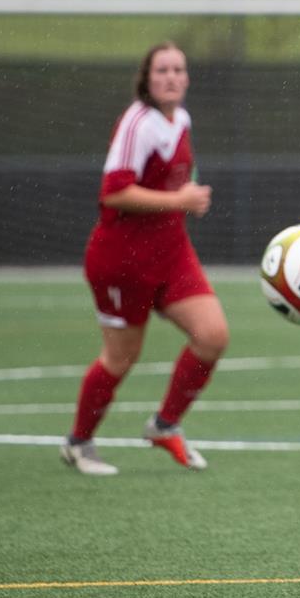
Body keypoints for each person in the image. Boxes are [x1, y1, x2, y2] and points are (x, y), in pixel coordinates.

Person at [61, 42, 224, 476]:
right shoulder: (137, 124)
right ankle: (78, 443)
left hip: (171, 253)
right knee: (121, 358)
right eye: (162, 70)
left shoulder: (182, 120)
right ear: (147, 79)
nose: (171, 77)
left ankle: (164, 425)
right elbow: (113, 191)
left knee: (212, 336)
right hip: (121, 261)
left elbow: (175, 185)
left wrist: (187, 200)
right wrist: (179, 199)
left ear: (187, 79)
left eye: (178, 70)